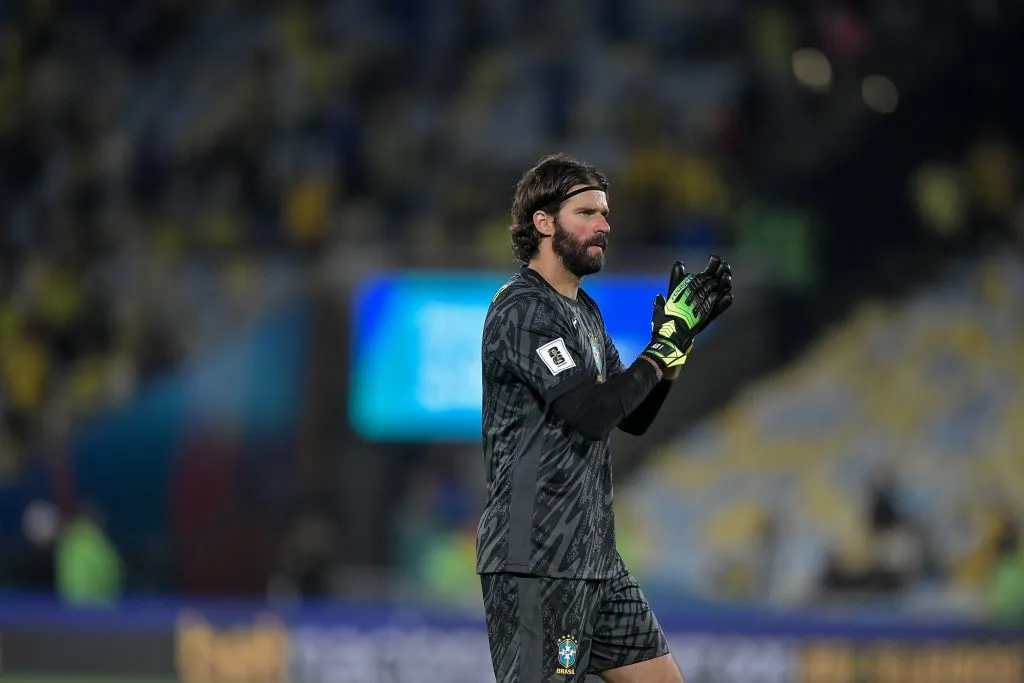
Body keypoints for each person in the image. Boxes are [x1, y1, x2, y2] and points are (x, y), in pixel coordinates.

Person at [477, 154, 732, 683]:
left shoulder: (585, 312)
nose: (604, 225)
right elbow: (591, 413)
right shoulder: (524, 311)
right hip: (537, 560)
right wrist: (659, 350)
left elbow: (629, 416)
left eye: (605, 213)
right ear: (543, 223)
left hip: (594, 561)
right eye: (587, 212)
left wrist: (676, 349)